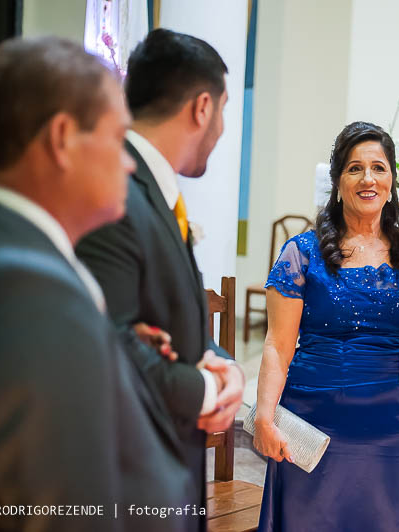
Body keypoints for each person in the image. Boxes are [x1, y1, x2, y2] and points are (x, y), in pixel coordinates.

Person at [0, 37, 193, 531]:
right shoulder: (28, 291)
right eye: (118, 139)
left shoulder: (6, 257)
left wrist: (103, 347)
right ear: (62, 139)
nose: (130, 162)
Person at [75, 28, 244, 526]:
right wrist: (208, 392)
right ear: (202, 107)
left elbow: (170, 311)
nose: (221, 126)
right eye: (224, 108)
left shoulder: (155, 189)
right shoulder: (114, 193)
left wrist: (223, 365)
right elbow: (109, 345)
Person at [254, 121, 399, 531]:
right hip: (312, 419)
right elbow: (278, 344)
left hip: (391, 424)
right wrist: (265, 417)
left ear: (392, 179)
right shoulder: (301, 254)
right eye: (354, 168)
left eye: (378, 167)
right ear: (338, 180)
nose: (367, 178)